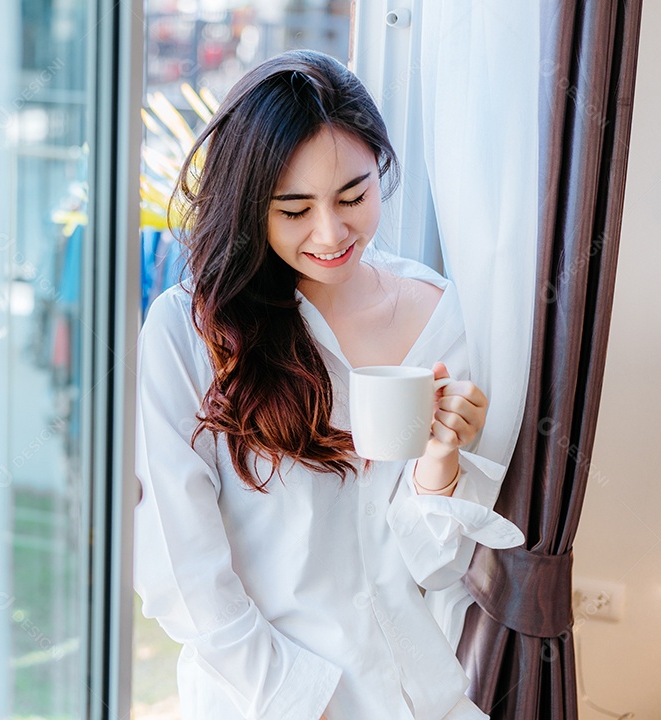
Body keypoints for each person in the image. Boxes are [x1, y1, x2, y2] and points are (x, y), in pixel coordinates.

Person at [132, 49, 524, 719]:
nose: (332, 232)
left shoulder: (442, 317)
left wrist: (439, 463)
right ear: (249, 206)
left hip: (420, 696)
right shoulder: (190, 333)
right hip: (266, 701)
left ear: (381, 171)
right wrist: (297, 698)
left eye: (353, 197)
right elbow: (179, 566)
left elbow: (432, 568)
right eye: (294, 210)